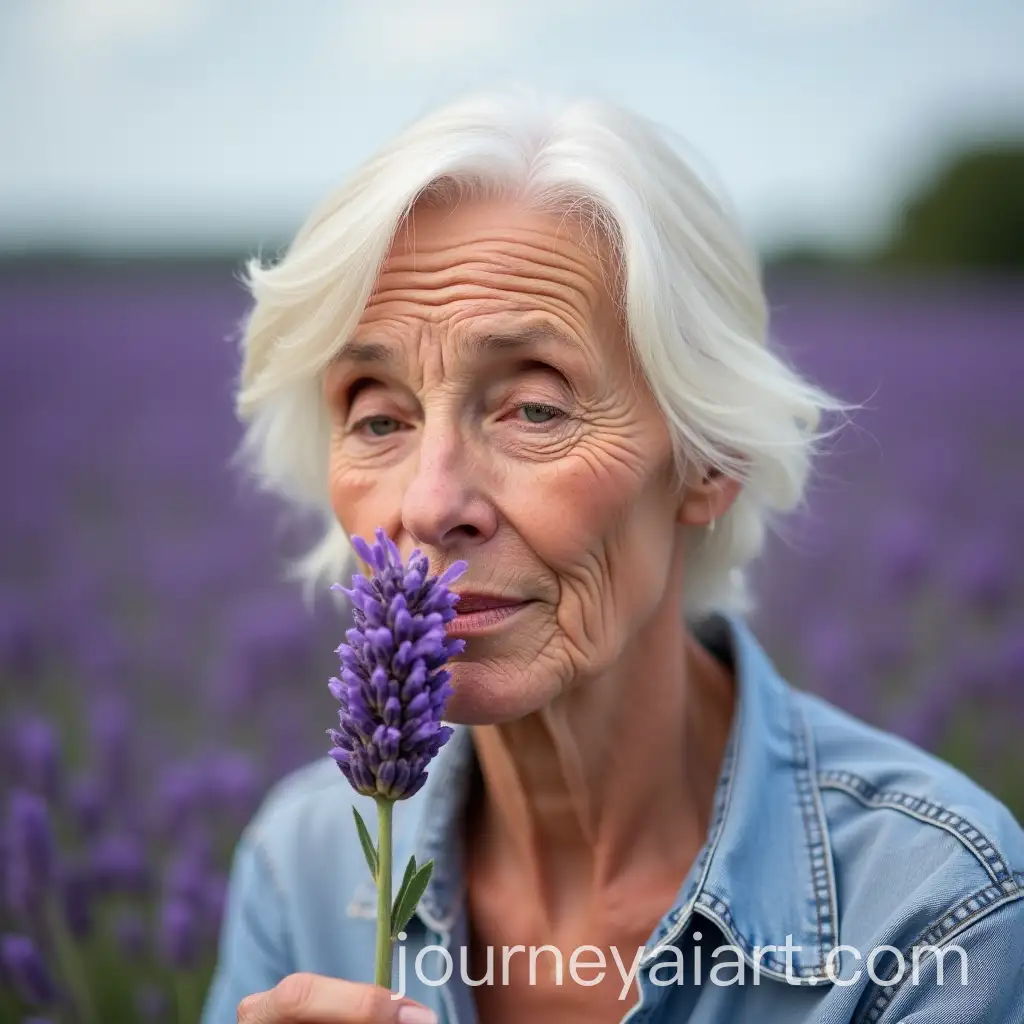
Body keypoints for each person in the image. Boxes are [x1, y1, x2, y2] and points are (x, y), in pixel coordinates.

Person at [201, 90, 1024, 1023]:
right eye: (379, 416)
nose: (430, 505)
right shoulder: (302, 866)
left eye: (535, 408)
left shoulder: (931, 915)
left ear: (710, 459)